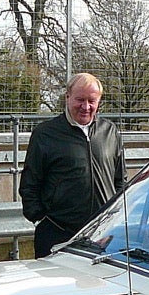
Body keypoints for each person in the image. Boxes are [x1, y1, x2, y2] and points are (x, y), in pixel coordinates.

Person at [19, 72, 127, 257]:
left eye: (92, 101)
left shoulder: (109, 132)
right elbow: (30, 184)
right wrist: (41, 220)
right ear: (67, 97)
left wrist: (114, 217)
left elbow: (120, 180)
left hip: (102, 235)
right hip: (57, 234)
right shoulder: (45, 134)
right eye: (80, 100)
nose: (86, 107)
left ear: (99, 101)